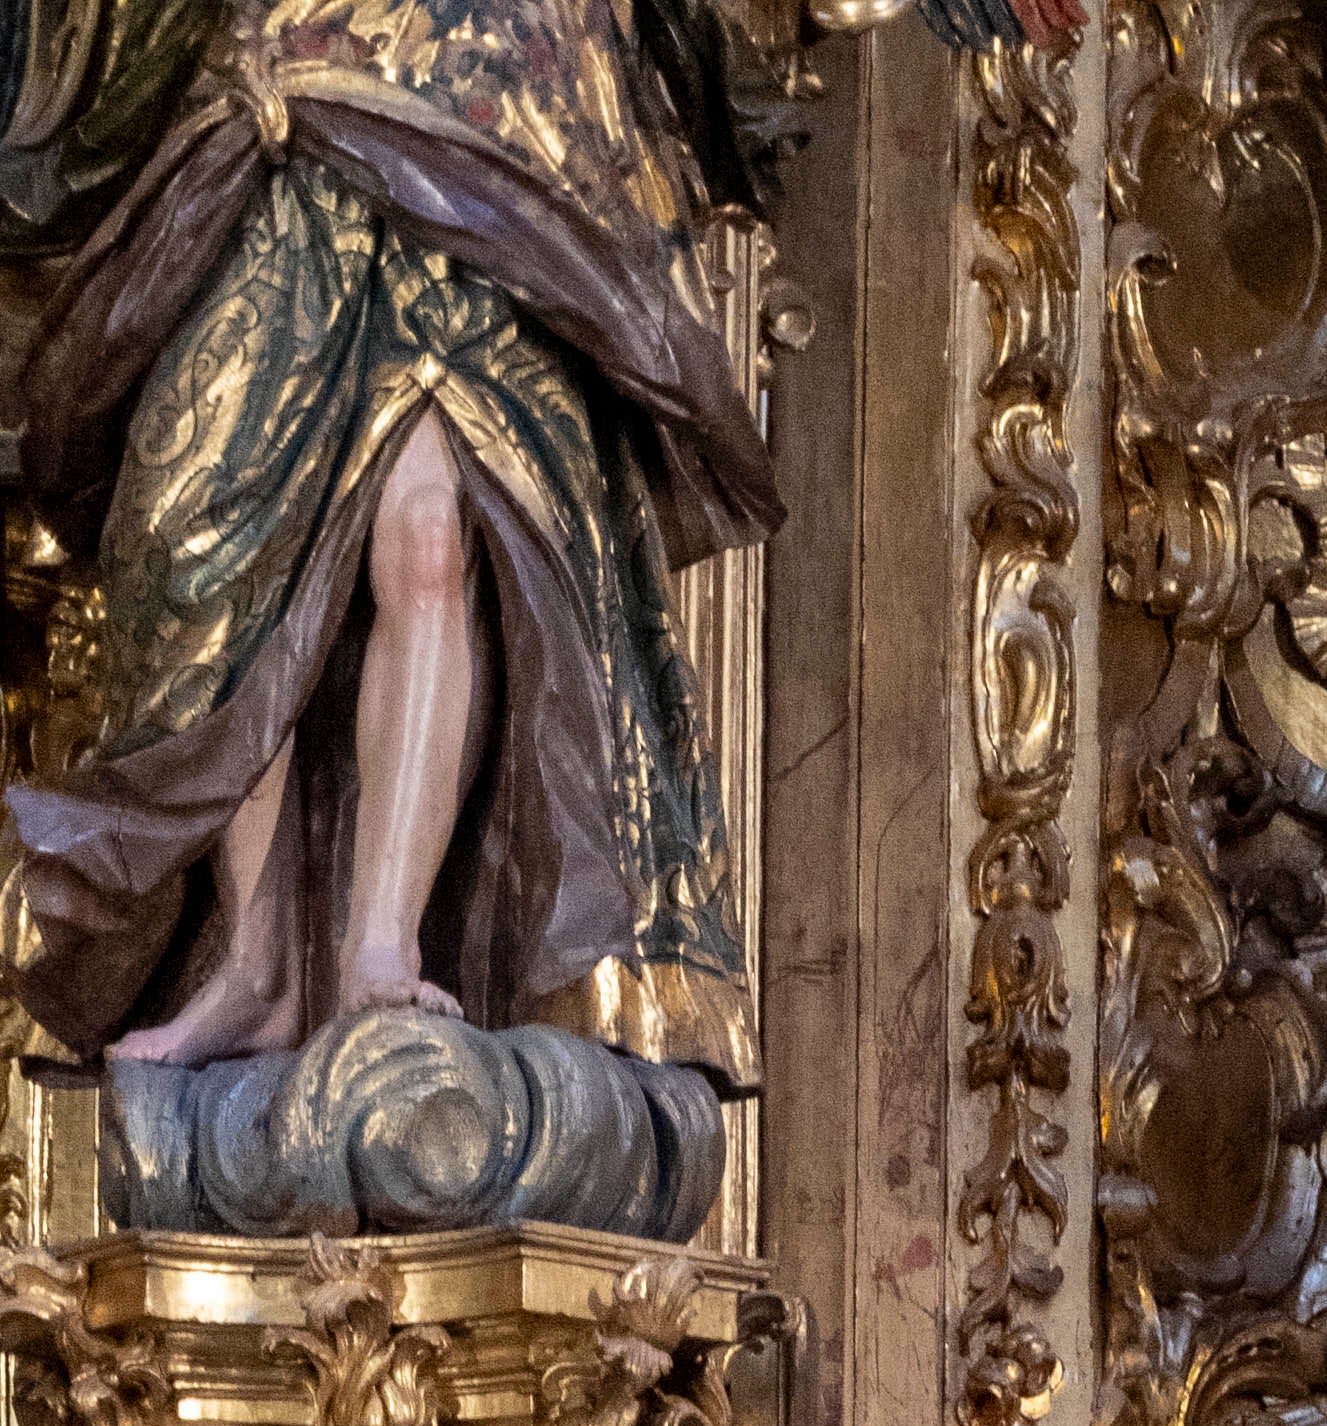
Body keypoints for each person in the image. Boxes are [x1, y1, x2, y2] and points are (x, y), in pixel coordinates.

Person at [0, 0, 785, 1074]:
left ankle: (380, 946)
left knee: (429, 546)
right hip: (290, 117)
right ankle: (259, 967)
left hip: (494, 127)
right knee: (215, 550)